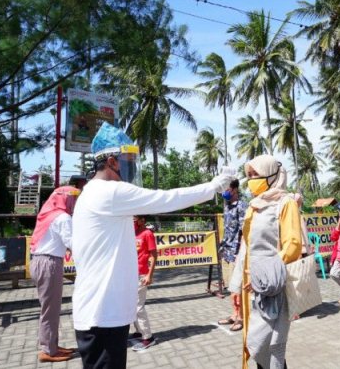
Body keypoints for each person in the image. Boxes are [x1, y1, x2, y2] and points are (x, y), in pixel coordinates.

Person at [71, 122, 235, 369]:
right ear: (113, 162)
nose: (131, 166)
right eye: (127, 160)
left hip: (100, 312)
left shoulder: (93, 193)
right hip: (102, 315)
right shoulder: (109, 193)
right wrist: (214, 186)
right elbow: (167, 199)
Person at [229, 154, 302, 369]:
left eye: (255, 175)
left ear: (272, 175)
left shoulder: (285, 203)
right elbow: (247, 244)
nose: (251, 180)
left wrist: (263, 276)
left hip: (271, 284)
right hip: (250, 285)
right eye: (248, 175)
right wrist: (237, 279)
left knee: (269, 345)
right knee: (259, 346)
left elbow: (293, 245)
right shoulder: (254, 205)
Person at [30, 186, 80, 363]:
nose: (74, 202)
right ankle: (48, 350)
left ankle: (52, 344)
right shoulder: (63, 217)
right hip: (49, 263)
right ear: (65, 199)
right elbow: (73, 243)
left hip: (41, 261)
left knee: (50, 307)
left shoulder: (50, 213)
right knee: (50, 308)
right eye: (73, 198)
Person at [217, 179, 247, 332]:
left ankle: (241, 317)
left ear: (235, 189)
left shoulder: (241, 206)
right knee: (230, 286)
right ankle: (234, 314)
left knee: (238, 287)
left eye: (227, 188)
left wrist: (240, 253)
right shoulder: (227, 206)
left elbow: (244, 231)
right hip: (226, 251)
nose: (225, 192)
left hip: (236, 251)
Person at [129, 215, 158, 351]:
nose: (132, 222)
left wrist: (149, 275)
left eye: (134, 220)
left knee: (138, 306)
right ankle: (139, 331)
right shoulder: (131, 232)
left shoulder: (147, 234)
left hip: (142, 274)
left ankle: (148, 337)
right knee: (131, 305)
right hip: (130, 274)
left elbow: (153, 255)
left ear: (142, 220)